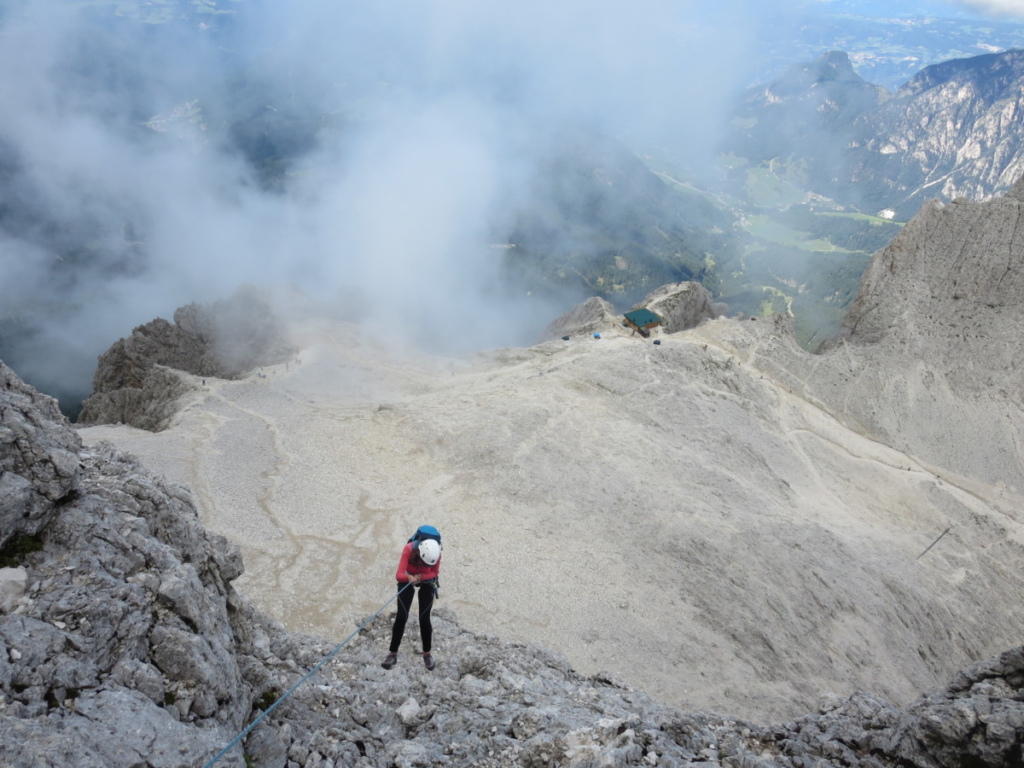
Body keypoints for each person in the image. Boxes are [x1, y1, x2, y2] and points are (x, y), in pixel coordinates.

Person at [381, 533, 442, 671]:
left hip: (426, 580)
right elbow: (399, 575)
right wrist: (409, 578)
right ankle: (393, 653)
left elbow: (434, 573)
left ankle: (427, 653)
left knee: (424, 618)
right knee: (402, 616)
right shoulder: (409, 549)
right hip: (408, 577)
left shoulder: (436, 553)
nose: (426, 564)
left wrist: (422, 576)